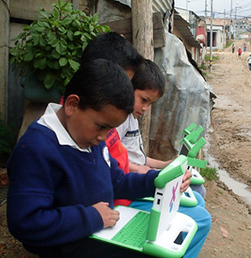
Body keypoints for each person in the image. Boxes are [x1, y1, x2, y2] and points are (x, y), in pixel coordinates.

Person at [6, 59, 167, 257]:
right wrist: (91, 218)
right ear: (72, 105)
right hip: (70, 245)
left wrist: (156, 181)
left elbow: (115, 180)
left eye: (110, 129)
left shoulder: (91, 139)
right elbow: (26, 222)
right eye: (101, 126)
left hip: (102, 231)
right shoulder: (36, 149)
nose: (104, 137)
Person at [81, 32, 211, 257]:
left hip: (114, 207)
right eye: (142, 99)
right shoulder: (83, 132)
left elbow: (117, 177)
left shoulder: (104, 128)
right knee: (197, 218)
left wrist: (158, 175)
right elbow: (31, 222)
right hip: (110, 216)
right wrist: (91, 218)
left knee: (195, 209)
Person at [116, 59, 207, 200]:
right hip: (133, 181)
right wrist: (144, 171)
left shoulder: (132, 118)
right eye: (143, 100)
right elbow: (116, 160)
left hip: (142, 175)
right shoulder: (119, 120)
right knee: (198, 193)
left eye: (150, 103)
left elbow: (139, 158)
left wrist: (165, 164)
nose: (145, 108)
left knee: (197, 189)